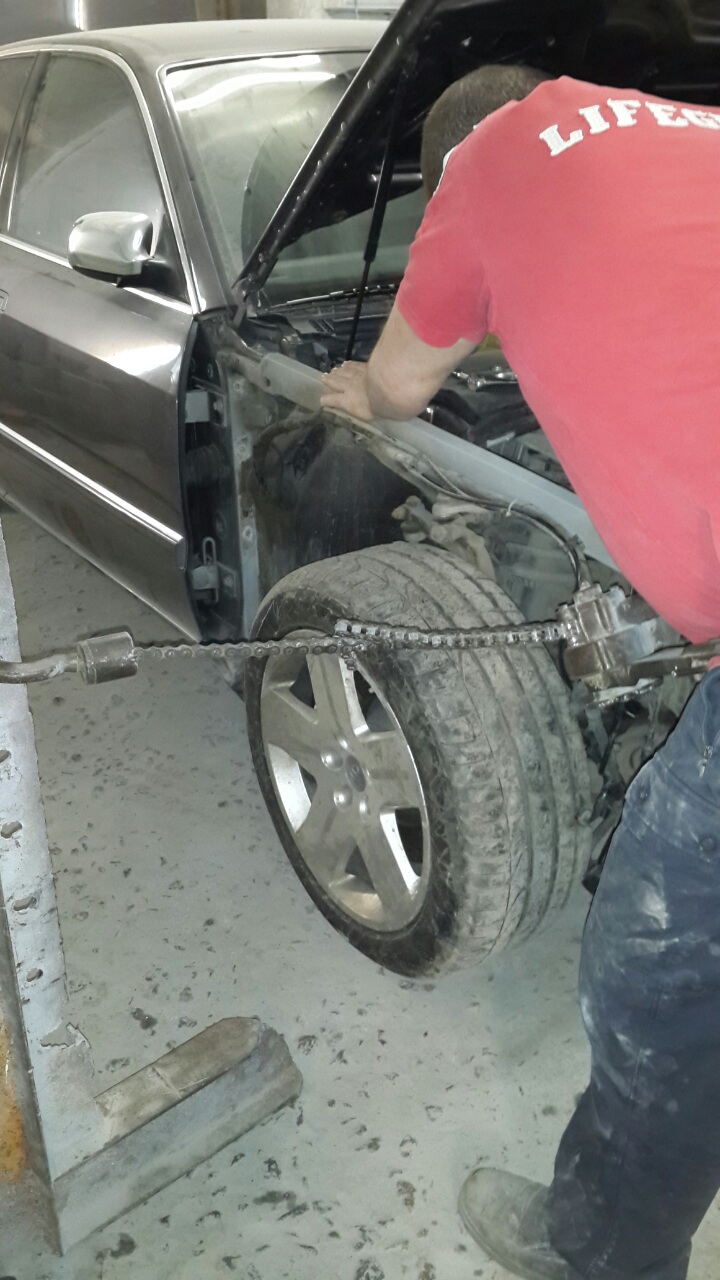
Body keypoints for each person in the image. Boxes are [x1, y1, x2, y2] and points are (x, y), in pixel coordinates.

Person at [321, 66, 720, 1280]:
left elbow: (400, 384)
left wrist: (356, 389)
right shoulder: (693, 123)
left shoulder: (486, 163)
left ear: (448, 159)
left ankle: (606, 1248)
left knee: (660, 960)